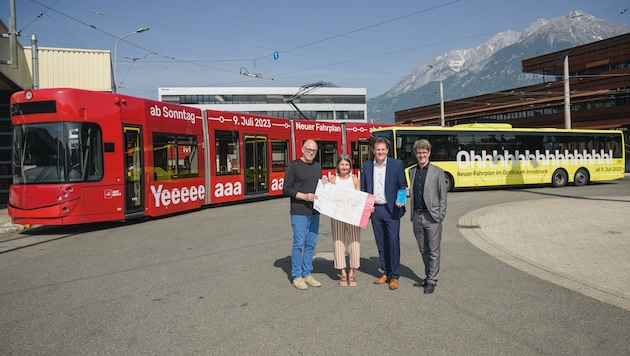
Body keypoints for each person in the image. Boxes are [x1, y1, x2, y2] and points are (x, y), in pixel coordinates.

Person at [360, 136, 407, 290]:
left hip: (392, 209)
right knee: (381, 243)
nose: (380, 152)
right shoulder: (366, 166)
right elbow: (364, 188)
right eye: (377, 149)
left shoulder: (396, 164)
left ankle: (394, 276)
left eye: (383, 149)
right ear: (373, 151)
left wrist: (401, 199)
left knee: (393, 242)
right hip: (376, 210)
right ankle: (385, 272)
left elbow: (402, 185)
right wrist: (367, 207)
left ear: (387, 150)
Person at [407, 139, 447, 294]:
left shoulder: (437, 172)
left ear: (429, 153)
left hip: (432, 217)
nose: (421, 155)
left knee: (433, 250)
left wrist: (440, 215)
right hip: (417, 216)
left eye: (424, 152)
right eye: (419, 152)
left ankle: (432, 280)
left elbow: (443, 196)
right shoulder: (412, 171)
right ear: (415, 154)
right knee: (423, 249)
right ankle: (427, 275)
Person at [283, 140, 323, 290]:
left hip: (315, 211)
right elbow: (286, 189)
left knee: (311, 244)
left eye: (314, 150)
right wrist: (303, 196)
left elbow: (319, 186)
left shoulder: (317, 166)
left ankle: (307, 273)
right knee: (299, 243)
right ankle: (297, 276)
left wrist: (324, 182)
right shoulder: (293, 166)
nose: (311, 152)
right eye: (308, 149)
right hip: (299, 211)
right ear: (302, 149)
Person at [328, 154, 362, 286]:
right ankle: (342, 273)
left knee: (354, 243)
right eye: (342, 164)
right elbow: (328, 196)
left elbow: (360, 198)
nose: (344, 167)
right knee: (338, 243)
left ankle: (352, 273)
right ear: (337, 166)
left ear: (350, 166)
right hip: (337, 216)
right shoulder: (333, 179)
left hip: (352, 216)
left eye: (347, 165)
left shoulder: (354, 180)